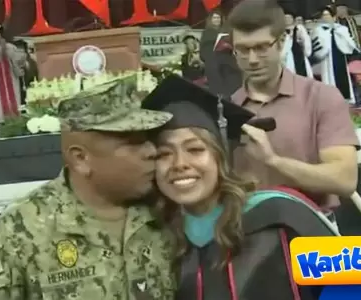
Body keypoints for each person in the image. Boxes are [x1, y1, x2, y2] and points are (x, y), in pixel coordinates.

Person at [0, 74, 177, 299]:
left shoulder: (169, 213)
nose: (151, 151)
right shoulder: (18, 231)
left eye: (148, 138)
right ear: (81, 159)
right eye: (133, 143)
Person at [142, 74, 336, 300]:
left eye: (195, 150)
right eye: (164, 154)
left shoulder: (282, 214)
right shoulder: (158, 238)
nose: (180, 164)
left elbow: (350, 285)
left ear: (220, 157)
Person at [223, 0, 358, 225]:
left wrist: (274, 161)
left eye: (262, 47)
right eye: (243, 50)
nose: (253, 60)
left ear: (282, 42)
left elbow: (344, 179)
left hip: (315, 231)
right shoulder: (227, 109)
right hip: (249, 235)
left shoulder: (321, 97)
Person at [311, 6, 359, 104]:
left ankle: (345, 98)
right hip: (327, 59)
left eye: (328, 15)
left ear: (333, 17)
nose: (326, 17)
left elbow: (350, 45)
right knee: (329, 80)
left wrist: (338, 34)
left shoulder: (341, 29)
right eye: (324, 15)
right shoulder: (318, 30)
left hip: (340, 57)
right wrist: (327, 38)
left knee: (343, 79)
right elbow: (317, 48)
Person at [200, 10, 242, 99]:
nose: (217, 20)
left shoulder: (226, 31)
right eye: (214, 18)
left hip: (227, 62)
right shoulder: (207, 33)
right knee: (218, 91)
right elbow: (204, 51)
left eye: (218, 17)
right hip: (214, 65)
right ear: (210, 20)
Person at [281, 12, 313, 78]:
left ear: (293, 19)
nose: (287, 20)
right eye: (285, 18)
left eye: (289, 18)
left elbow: (307, 48)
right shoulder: (280, 32)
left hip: (300, 57)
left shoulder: (299, 29)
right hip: (287, 59)